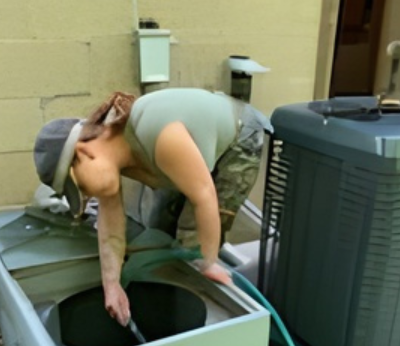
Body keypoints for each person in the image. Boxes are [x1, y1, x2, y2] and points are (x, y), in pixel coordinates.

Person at [33, 87, 272, 326]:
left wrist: (208, 261)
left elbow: (205, 196)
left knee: (193, 241)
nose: (88, 194)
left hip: (240, 133)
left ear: (84, 152)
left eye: (82, 187)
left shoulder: (159, 133)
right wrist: (112, 286)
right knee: (160, 229)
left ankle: (207, 319)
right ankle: (170, 308)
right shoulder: (109, 159)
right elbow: (111, 230)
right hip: (181, 153)